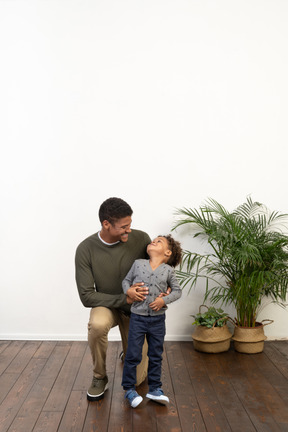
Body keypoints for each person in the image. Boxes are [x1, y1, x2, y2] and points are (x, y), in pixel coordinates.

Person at [75, 197, 152, 401]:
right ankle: (99, 377)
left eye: (130, 225)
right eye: (124, 227)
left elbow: (158, 267)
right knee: (97, 325)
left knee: (136, 380)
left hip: (135, 308)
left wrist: (167, 282)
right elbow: (86, 296)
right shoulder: (86, 249)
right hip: (107, 304)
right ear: (106, 224)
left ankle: (129, 355)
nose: (129, 230)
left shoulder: (142, 239)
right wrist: (123, 299)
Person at [121, 234, 182, 408]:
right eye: (153, 240)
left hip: (157, 320)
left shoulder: (169, 271)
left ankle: (155, 388)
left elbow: (177, 291)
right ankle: (129, 390)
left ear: (168, 252)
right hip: (138, 318)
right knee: (133, 354)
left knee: (155, 355)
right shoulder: (138, 264)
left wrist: (164, 300)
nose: (153, 241)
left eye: (159, 241)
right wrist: (129, 292)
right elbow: (126, 281)